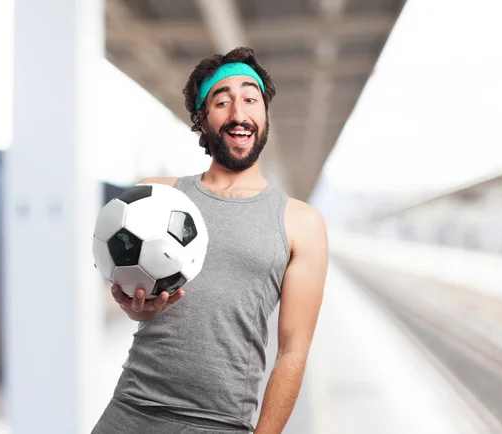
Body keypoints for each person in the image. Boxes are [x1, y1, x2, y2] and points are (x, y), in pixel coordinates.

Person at [92, 46, 329, 434]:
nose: (239, 112)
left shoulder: (302, 223)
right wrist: (138, 309)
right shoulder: (156, 196)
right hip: (129, 413)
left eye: (250, 98)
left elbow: (292, 351)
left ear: (265, 113)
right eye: (222, 101)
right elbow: (136, 296)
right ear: (202, 119)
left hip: (220, 424)